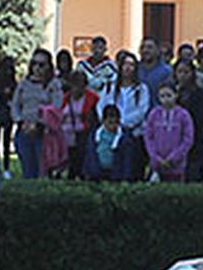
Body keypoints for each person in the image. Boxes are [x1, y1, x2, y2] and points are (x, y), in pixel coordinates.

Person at [97, 51, 150, 180]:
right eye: (125, 64)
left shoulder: (141, 89)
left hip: (133, 134)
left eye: (131, 65)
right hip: (110, 133)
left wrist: (123, 122)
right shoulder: (110, 86)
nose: (127, 68)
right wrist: (109, 123)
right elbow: (101, 106)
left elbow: (142, 110)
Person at [12, 48, 62, 179]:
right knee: (28, 170)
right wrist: (20, 121)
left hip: (44, 132)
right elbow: (15, 105)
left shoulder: (54, 84)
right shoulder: (23, 84)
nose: (37, 68)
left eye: (41, 64)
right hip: (24, 130)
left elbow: (57, 107)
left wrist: (39, 123)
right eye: (34, 63)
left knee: (42, 171)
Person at [143, 82, 194, 182]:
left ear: (176, 95)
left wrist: (173, 158)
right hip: (157, 164)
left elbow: (187, 139)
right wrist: (155, 157)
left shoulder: (183, 115)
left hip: (177, 165)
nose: (166, 99)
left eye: (169, 95)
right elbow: (148, 137)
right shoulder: (154, 114)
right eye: (162, 96)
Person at [173, 59, 203, 182]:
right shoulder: (172, 93)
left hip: (195, 138)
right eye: (180, 72)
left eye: (186, 72)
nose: (183, 75)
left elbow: (202, 118)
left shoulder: (199, 94)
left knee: (194, 173)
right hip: (174, 138)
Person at [56, 70, 98, 179]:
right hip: (65, 133)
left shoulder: (92, 98)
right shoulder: (65, 98)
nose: (77, 88)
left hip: (82, 133)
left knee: (80, 156)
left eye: (80, 84)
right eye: (74, 84)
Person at [84, 104, 125, 181]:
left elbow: (127, 161)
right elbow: (89, 156)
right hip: (96, 174)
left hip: (116, 175)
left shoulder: (124, 138)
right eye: (110, 122)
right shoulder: (94, 136)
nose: (113, 126)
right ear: (103, 121)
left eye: (115, 122)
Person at [137, 37, 173, 103]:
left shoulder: (166, 71)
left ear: (158, 50)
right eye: (143, 47)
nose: (145, 50)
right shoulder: (136, 69)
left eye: (150, 47)